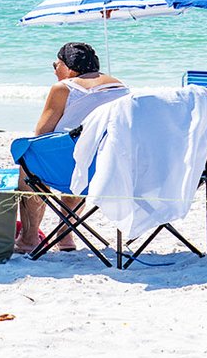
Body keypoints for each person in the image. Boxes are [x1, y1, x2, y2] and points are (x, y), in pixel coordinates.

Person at [16, 42, 126, 255]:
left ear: (68, 67)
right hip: (107, 166)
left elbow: (41, 134)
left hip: (73, 168)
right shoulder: (120, 87)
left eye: (55, 65)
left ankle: (28, 239)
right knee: (83, 155)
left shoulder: (63, 88)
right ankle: (65, 234)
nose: (55, 71)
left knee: (29, 159)